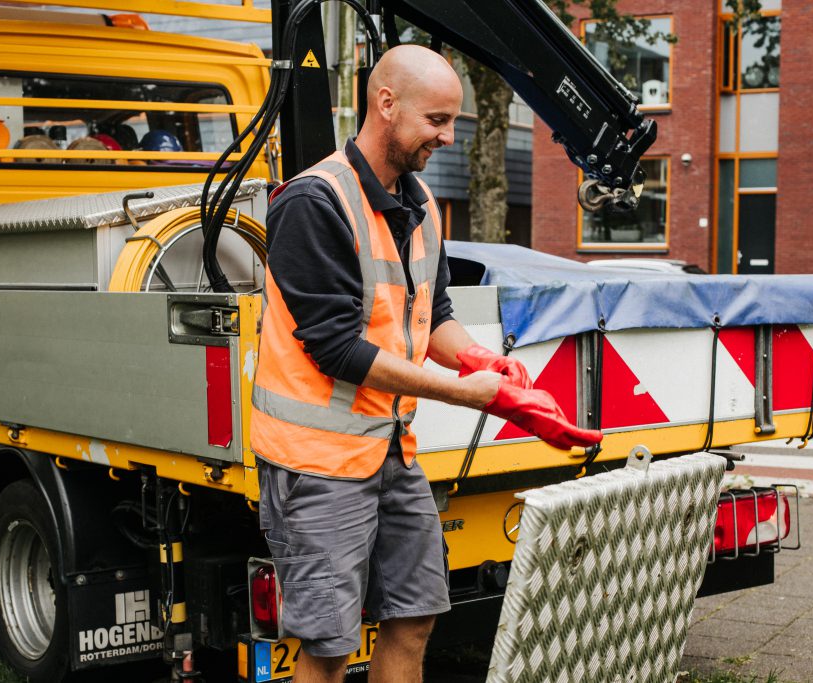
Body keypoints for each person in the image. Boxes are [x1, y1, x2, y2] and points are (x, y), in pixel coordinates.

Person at [250, 44, 601, 683]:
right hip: (317, 462)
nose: (447, 136)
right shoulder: (312, 201)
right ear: (386, 104)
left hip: (391, 452)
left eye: (452, 121)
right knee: (327, 647)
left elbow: (429, 313)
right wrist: (479, 395)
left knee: (415, 617)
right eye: (437, 120)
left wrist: (477, 357)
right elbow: (336, 350)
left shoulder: (420, 204)